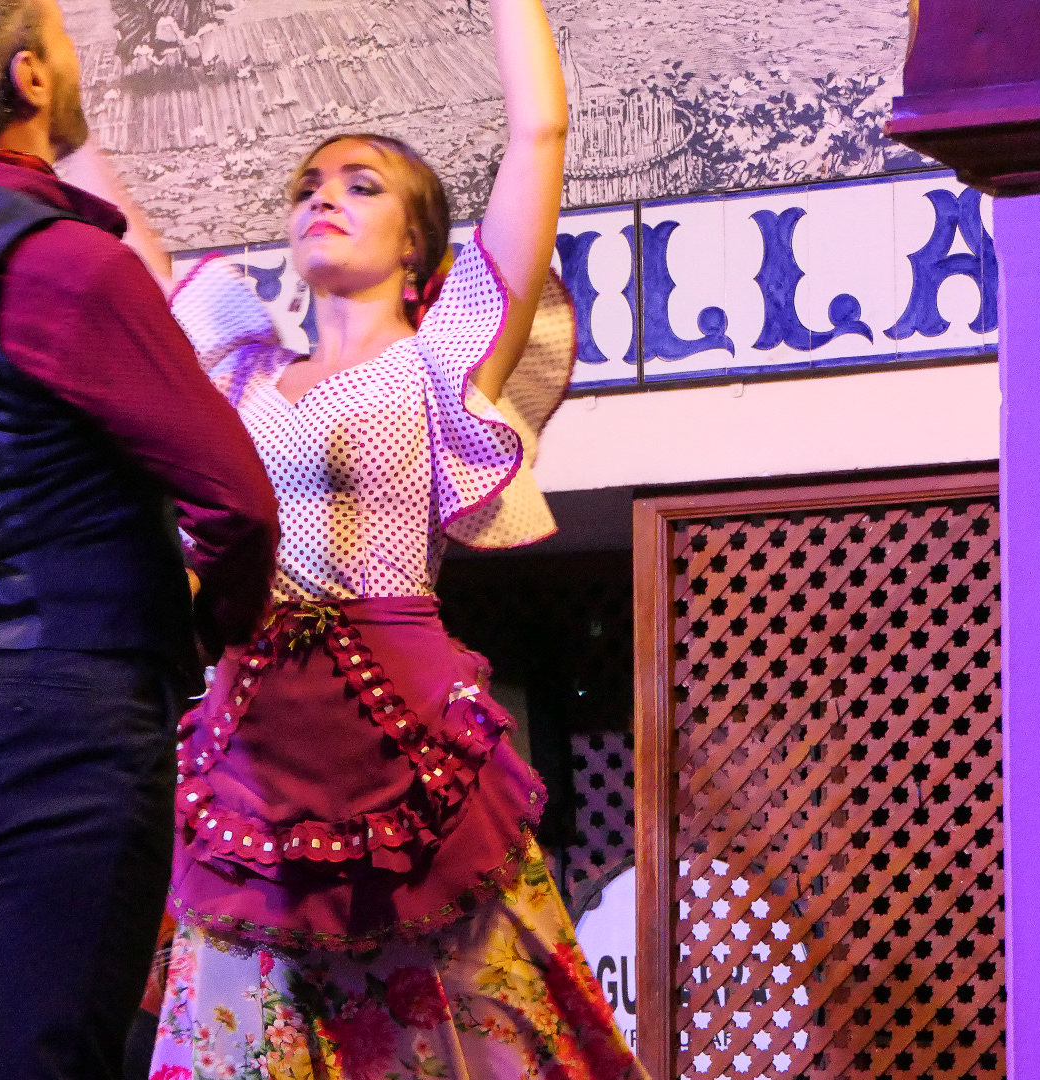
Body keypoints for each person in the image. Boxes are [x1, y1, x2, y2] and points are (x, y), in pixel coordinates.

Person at [146, 1, 650, 1076]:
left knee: (482, 1035)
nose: (324, 197)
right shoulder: (239, 368)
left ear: (416, 242)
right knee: (243, 1040)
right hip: (254, 746)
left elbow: (539, 136)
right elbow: (128, 239)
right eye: (308, 186)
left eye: (361, 185)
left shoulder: (438, 357)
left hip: (401, 736)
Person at [0, 0, 283, 1076]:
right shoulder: (71, 265)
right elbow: (237, 501)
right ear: (30, 79)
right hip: (73, 728)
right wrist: (214, 629)